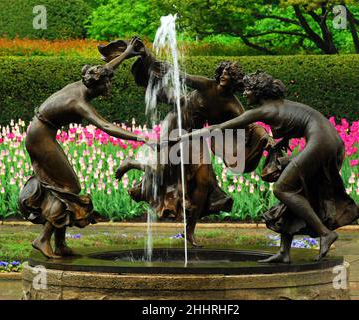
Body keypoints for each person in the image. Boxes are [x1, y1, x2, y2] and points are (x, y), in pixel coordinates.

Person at [100, 41, 273, 247]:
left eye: (230, 74)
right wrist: (152, 61)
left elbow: (249, 123)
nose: (225, 75)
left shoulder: (233, 105)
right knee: (163, 168)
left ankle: (189, 231)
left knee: (204, 182)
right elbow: (180, 76)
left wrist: (266, 138)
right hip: (175, 125)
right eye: (224, 72)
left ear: (236, 81)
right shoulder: (207, 85)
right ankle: (131, 163)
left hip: (195, 136)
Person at [178, 71, 359, 262]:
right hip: (331, 141)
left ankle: (325, 233)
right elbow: (303, 120)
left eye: (248, 89)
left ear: (258, 92)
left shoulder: (263, 110)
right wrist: (286, 139)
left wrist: (179, 138)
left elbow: (217, 128)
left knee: (282, 188)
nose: (244, 93)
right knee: (294, 193)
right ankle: (285, 252)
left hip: (321, 142)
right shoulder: (281, 106)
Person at [19, 37, 150, 259]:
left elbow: (106, 69)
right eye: (107, 85)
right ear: (97, 85)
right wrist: (140, 137)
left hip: (42, 133)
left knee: (61, 185)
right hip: (39, 137)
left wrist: (127, 53)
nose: (109, 86)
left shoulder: (87, 81)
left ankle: (59, 244)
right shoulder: (78, 102)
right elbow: (106, 126)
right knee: (70, 186)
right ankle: (42, 238)